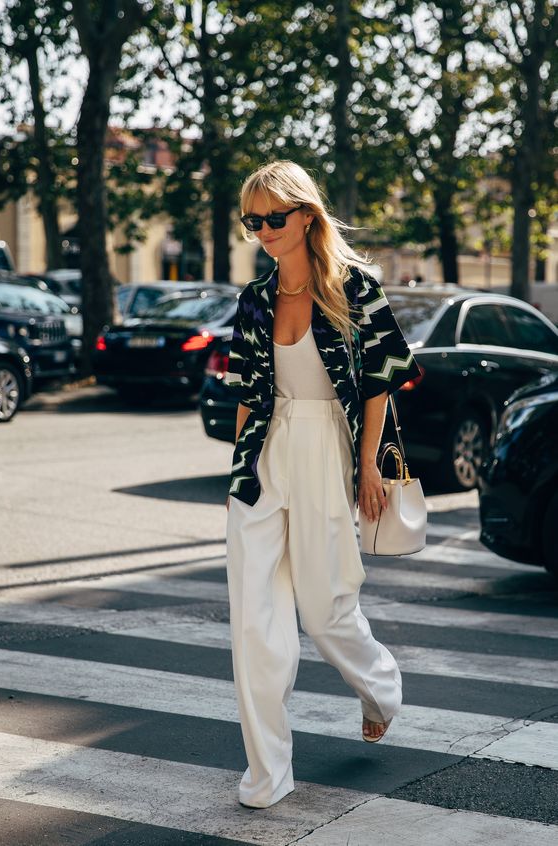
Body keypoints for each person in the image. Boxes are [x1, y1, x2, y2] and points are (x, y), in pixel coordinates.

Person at [224, 160, 422, 809]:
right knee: (254, 621)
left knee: (325, 607)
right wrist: (238, 469)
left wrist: (367, 465)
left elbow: (381, 380)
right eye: (253, 221)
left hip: (324, 451)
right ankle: (267, 776)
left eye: (274, 217)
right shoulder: (255, 298)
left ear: (306, 214)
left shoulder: (355, 287)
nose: (264, 231)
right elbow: (248, 394)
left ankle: (380, 687)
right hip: (263, 458)